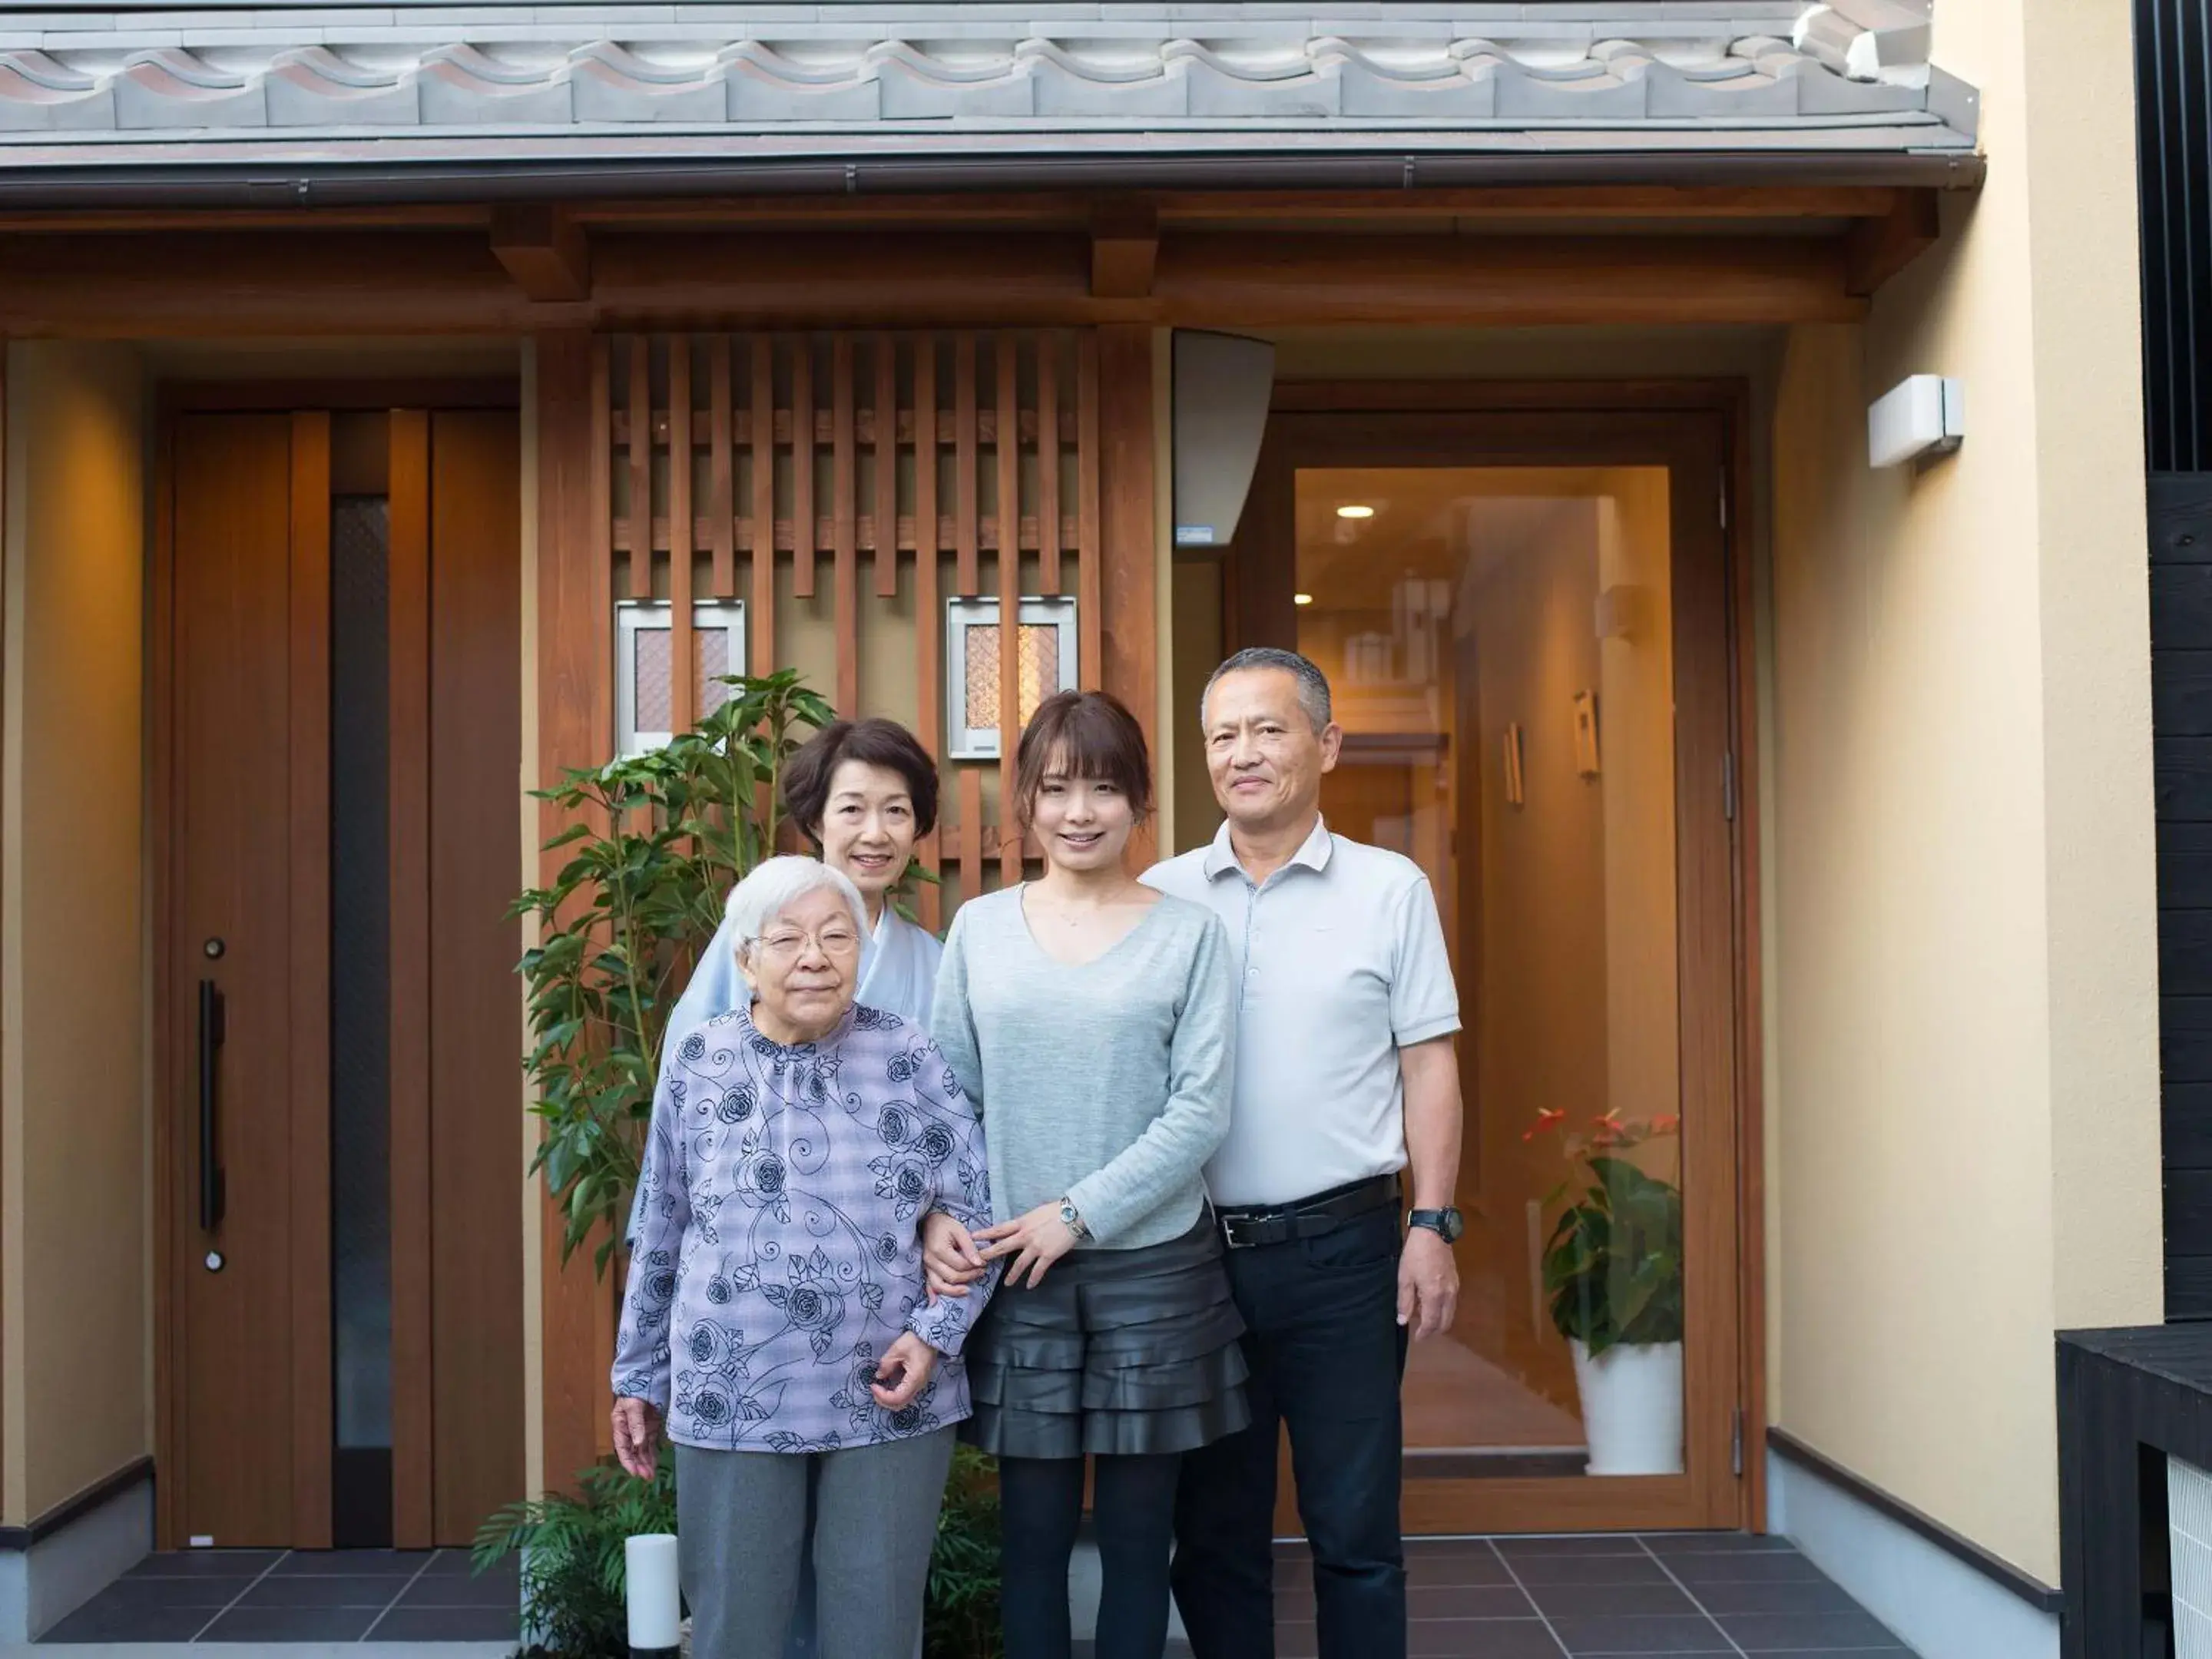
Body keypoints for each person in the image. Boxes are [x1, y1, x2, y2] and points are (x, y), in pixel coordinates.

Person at [1147, 647, 1465, 1659]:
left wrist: (1432, 1223)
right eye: (1223, 735)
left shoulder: (1389, 889)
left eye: (1268, 729)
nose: (1243, 753)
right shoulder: (1160, 895)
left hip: (1346, 1255)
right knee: (1214, 1536)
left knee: (1355, 1531)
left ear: (1326, 745)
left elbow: (1429, 1064)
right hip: (1194, 1261)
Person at [922, 689, 1246, 1659]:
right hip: (1017, 1270)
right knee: (1032, 1542)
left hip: (1154, 1271)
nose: (1080, 811)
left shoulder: (1190, 934)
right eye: (1057, 787)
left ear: (1140, 801)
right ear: (1024, 798)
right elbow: (948, 1101)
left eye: (1104, 788)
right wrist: (940, 1214)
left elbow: (1200, 1110)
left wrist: (1076, 1213)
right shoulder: (980, 928)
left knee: (1141, 1544)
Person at [609, 856, 998, 1659]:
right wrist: (638, 1376)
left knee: (875, 1627)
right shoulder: (699, 1059)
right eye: (787, 939)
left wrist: (935, 1336)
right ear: (746, 958)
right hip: (730, 1384)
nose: (815, 957)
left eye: (836, 937)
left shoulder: (906, 1053)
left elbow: (972, 1207)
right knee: (734, 1625)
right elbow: (662, 1223)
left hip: (890, 1383)